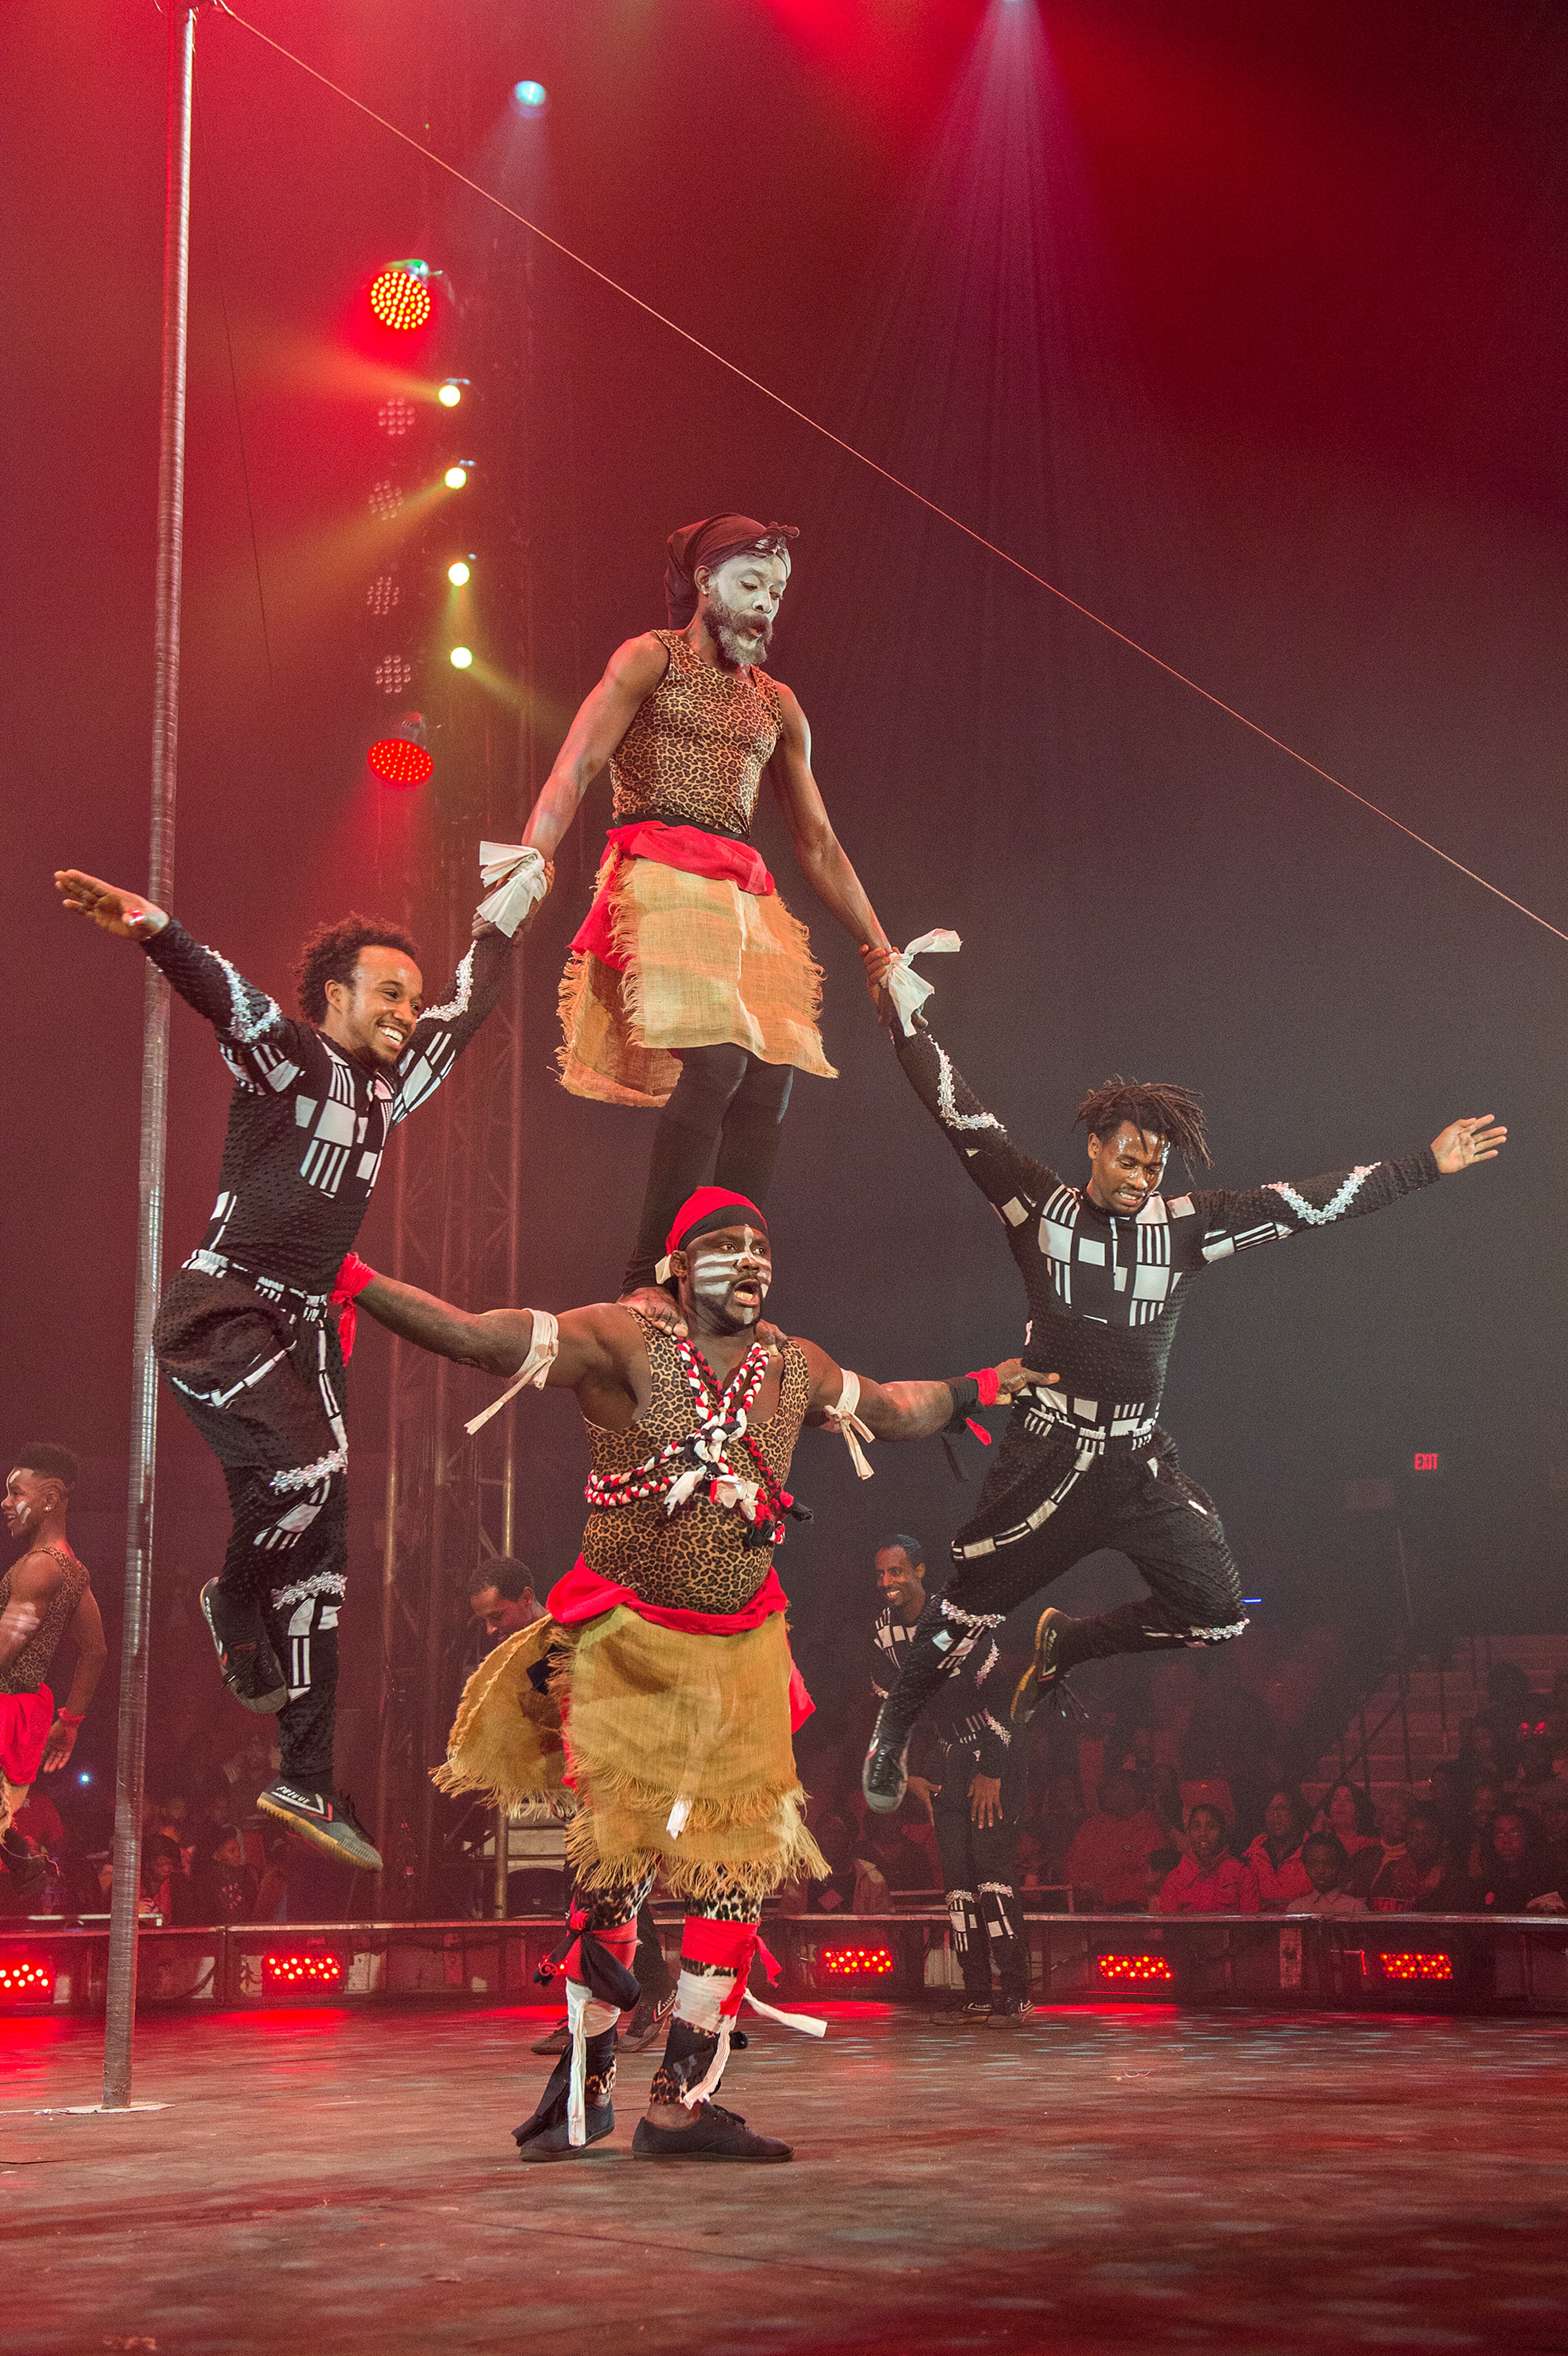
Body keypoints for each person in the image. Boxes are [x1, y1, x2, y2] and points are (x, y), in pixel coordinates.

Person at [339, 1186, 1036, 2162]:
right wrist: (356, 1279)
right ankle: (582, 2091)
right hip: (630, 1638)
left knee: (739, 1876)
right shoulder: (624, 1343)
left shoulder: (792, 1366)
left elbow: (892, 1408)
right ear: (675, 1266)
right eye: (723, 1246)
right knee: (617, 1871)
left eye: (761, 1246)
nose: (750, 1261)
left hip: (745, 1647)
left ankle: (681, 2099)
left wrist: (983, 1386)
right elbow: (479, 1337)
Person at [857, 973, 1506, 1808]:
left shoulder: (1188, 1224)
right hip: (1047, 1456)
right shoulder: (1040, 1208)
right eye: (1128, 1155)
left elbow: (1308, 1204)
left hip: (1135, 1462)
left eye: (1154, 1161)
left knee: (1217, 1610)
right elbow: (964, 1121)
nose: (1141, 1172)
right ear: (1094, 1143)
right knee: (963, 1613)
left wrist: (1426, 1165)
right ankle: (893, 1730)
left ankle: (1070, 1647)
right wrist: (905, 1026)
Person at [53, 854, 543, 1870]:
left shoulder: (388, 1088)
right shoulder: (289, 1057)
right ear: (334, 997)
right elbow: (222, 992)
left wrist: (511, 902)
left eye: (410, 993)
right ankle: (234, 1600)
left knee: (323, 1560)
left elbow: (468, 1006)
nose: (407, 1008)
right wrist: (152, 927)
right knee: (311, 1470)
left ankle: (307, 1778)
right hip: (223, 1308)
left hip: (305, 1328)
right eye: (387, 992)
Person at [514, 515, 895, 1305]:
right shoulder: (648, 658)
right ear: (704, 583)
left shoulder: (778, 703)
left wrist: (882, 952)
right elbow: (578, 763)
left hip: (739, 890)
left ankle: (727, 1276)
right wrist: (532, 856)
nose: (766, 605)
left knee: (772, 1075)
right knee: (720, 1059)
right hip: (659, 869)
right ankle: (646, 1274)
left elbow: (819, 842)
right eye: (751, 585)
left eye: (778, 593)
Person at [869, 1534, 1031, 2023]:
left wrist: (991, 1773)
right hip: (946, 1758)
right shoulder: (884, 1633)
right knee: (958, 1884)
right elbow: (894, 1710)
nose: (888, 1583)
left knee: (989, 1876)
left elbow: (1011, 1704)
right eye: (881, 1575)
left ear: (920, 1571)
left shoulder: (961, 1620)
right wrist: (912, 1773)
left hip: (993, 1754)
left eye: (897, 1572)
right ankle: (978, 1995)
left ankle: (1017, 1992)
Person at [0, 1447, 107, 1888]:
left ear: (49, 1497)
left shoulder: (40, 1568)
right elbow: (96, 1651)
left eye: (15, 1492)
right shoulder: (72, 1567)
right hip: (25, 1716)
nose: (6, 1503)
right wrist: (71, 1721)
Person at [1062, 1768, 1169, 1915]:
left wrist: (1107, 1895)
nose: (1105, 1793)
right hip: (1080, 1912)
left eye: (1112, 1787)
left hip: (1127, 1915)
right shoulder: (1092, 1826)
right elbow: (1072, 1862)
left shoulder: (1150, 1831)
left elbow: (1153, 1880)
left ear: (1131, 1791)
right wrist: (1077, 1889)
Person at [1156, 1804, 1260, 1913]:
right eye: (1196, 1827)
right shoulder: (1175, 1879)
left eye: (1211, 1827)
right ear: (1189, 1833)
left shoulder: (1242, 1875)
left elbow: (1249, 1925)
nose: (1203, 1834)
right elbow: (1170, 1927)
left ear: (1222, 1833)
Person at [1478, 1808, 1565, 1914]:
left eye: (1515, 1833)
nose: (1506, 1841)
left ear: (1529, 1837)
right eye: (1500, 1834)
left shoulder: (1554, 1878)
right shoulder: (1486, 1883)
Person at [1242, 1786, 1312, 1912]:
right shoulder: (1251, 1858)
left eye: (1282, 1808)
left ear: (1295, 1812)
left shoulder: (1313, 1852)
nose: (1276, 1816)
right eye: (1270, 1809)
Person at [1283, 1832, 1369, 1917]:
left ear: (1340, 1865)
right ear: (1306, 1867)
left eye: (1328, 1864)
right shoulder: (1296, 1908)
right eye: (1313, 1864)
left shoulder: (1355, 1908)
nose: (1320, 1871)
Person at [469, 1559, 543, 1641]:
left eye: (497, 1616)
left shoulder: (558, 1646)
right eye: (484, 1621)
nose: (490, 1631)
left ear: (527, 1598)